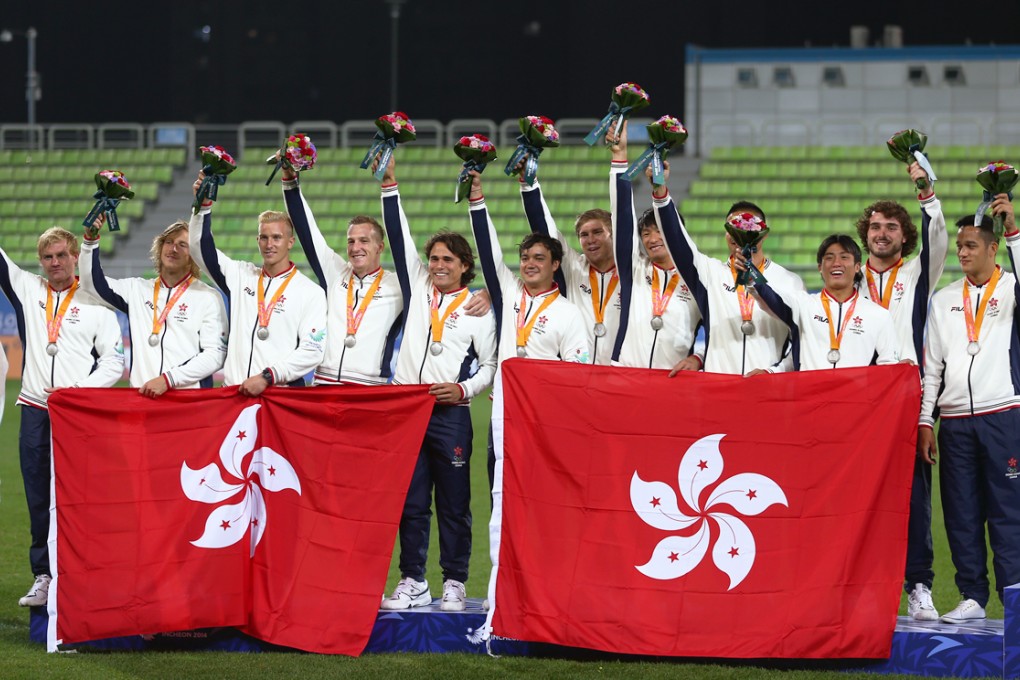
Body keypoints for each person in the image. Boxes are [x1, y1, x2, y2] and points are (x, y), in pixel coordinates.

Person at [375, 157, 498, 612]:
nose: (438, 265)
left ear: (465, 266)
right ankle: (412, 581)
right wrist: (390, 183)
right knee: (409, 502)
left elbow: (490, 365)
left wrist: (463, 391)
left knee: (453, 503)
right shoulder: (418, 289)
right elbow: (399, 230)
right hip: (407, 408)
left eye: (448, 260)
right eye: (434, 259)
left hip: (451, 414)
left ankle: (455, 581)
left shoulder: (479, 308)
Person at [0, 227, 124, 607]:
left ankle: (83, 575)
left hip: (76, 416)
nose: (55, 263)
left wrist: (78, 393)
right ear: (40, 261)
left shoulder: (96, 304)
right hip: (36, 411)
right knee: (38, 498)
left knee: (79, 498)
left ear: (75, 257)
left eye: (61, 256)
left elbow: (115, 362)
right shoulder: (27, 288)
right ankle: (44, 576)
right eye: (48, 257)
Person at [918, 199, 1020, 624]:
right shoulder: (943, 300)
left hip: (1004, 416)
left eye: (971, 245)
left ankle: (1014, 597)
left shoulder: (1012, 288)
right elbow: (933, 368)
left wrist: (1014, 230)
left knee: (1009, 510)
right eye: (959, 246)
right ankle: (972, 597)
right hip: (955, 422)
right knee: (960, 512)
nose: (962, 252)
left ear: (993, 248)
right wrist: (926, 421)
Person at [855, 162, 948, 620]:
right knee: (855, 498)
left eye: (891, 227)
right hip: (856, 403)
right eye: (875, 226)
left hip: (903, 399)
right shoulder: (847, 280)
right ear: (864, 233)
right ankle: (862, 590)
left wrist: (925, 190)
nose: (882, 233)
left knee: (913, 498)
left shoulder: (916, 275)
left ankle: (920, 586)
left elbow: (939, 239)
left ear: (904, 236)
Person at [649, 167, 805, 376]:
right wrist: (660, 190)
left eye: (748, 227)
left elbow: (802, 342)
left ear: (764, 234)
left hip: (767, 389)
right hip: (718, 390)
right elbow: (677, 241)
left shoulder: (790, 281)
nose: (739, 233)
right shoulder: (709, 273)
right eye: (732, 227)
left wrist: (772, 373)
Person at [189, 173, 325, 395]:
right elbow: (198, 247)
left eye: (277, 238)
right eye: (264, 237)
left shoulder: (310, 292)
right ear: (257, 240)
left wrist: (267, 377)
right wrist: (202, 206)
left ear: (290, 242)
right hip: (234, 394)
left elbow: (312, 351)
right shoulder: (241, 276)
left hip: (279, 397)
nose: (269, 244)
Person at [80, 216, 227, 395]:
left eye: (182, 245)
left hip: (188, 402)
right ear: (159, 247)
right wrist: (90, 242)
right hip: (144, 399)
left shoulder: (208, 297)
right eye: (168, 241)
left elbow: (215, 355)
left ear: (194, 254)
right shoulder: (136, 290)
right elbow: (92, 284)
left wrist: (168, 380)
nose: (173, 249)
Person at [610, 122, 701, 371]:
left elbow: (718, 327)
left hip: (673, 380)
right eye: (646, 233)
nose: (651, 239)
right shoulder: (634, 268)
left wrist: (698, 357)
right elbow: (621, 218)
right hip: (626, 376)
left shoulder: (698, 278)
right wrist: (619, 157)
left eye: (659, 230)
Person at [517, 161, 621, 365]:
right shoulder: (573, 267)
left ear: (613, 233)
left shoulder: (632, 271)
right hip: (578, 375)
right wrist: (528, 183)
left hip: (620, 374)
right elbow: (545, 228)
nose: (590, 239)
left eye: (597, 232)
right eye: (584, 235)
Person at [750, 234, 898, 369]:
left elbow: (889, 367)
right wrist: (751, 273)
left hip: (855, 398)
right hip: (810, 397)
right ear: (820, 267)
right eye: (829, 257)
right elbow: (769, 296)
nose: (836, 263)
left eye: (844, 257)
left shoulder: (879, 315)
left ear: (857, 267)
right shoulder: (802, 305)